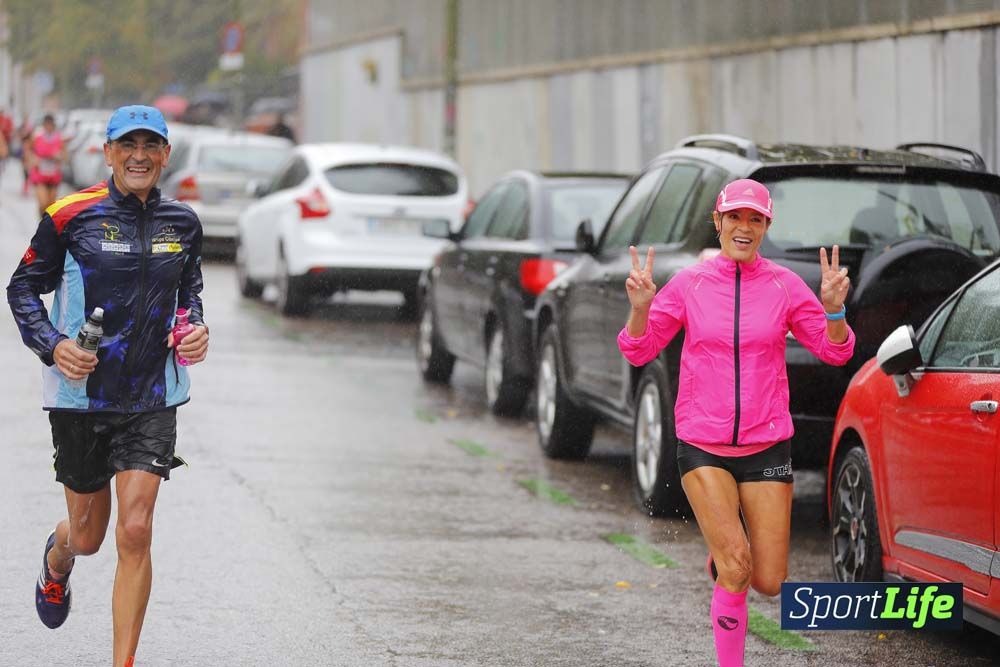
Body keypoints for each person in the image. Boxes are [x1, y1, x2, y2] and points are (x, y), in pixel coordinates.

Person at [617, 179, 854, 667]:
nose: (743, 227)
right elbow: (638, 348)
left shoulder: (785, 285)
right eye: (735, 218)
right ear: (718, 223)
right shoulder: (690, 284)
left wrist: (835, 311)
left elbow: (836, 351)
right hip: (702, 443)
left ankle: (724, 558)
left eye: (755, 219)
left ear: (766, 227)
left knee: (768, 581)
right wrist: (640, 311)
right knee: (738, 567)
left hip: (767, 445)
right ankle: (729, 585)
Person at [7, 105, 209, 667]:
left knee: (136, 528)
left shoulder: (183, 223)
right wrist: (53, 345)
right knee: (89, 536)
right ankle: (57, 560)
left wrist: (193, 329)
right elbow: (22, 289)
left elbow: (189, 293)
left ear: (165, 154)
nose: (140, 156)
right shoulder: (70, 216)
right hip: (81, 395)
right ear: (109, 152)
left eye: (151, 146)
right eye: (129, 146)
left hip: (152, 395)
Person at [25, 113, 67, 217]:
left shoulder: (59, 139)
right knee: (43, 202)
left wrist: (59, 156)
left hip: (53, 176)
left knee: (50, 205)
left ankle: (46, 222)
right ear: (44, 125)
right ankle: (41, 221)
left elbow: (65, 156)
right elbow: (28, 150)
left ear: (53, 125)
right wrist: (33, 159)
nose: (48, 127)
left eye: (50, 125)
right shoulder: (37, 137)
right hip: (40, 174)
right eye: (46, 125)